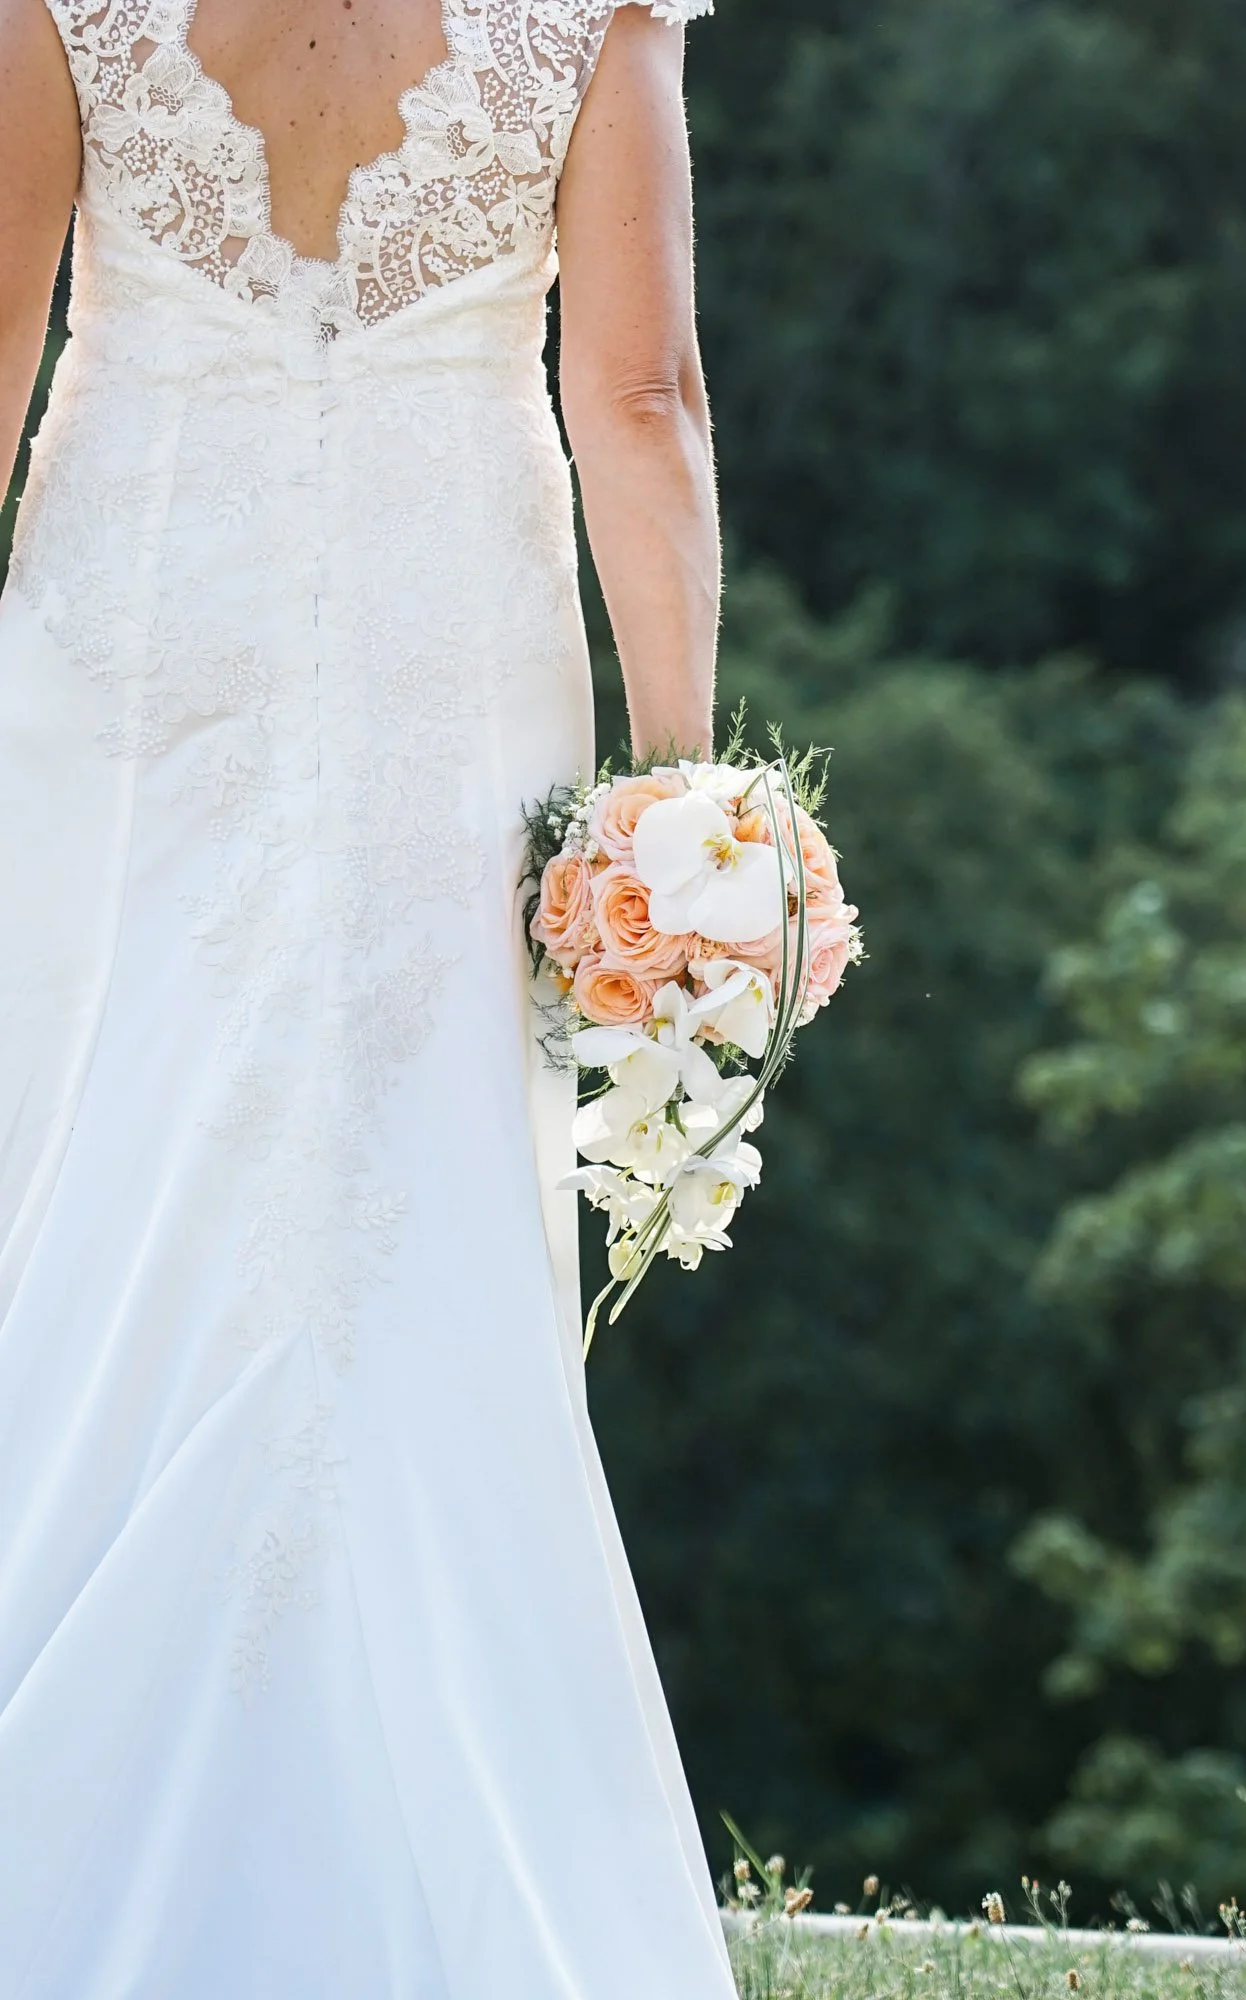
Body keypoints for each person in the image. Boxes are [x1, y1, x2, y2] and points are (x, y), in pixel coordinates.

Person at [0, 0, 736, 1992]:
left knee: (95, 1178)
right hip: (454, 675)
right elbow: (643, 399)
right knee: (425, 1235)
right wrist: (687, 815)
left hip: (129, 660)